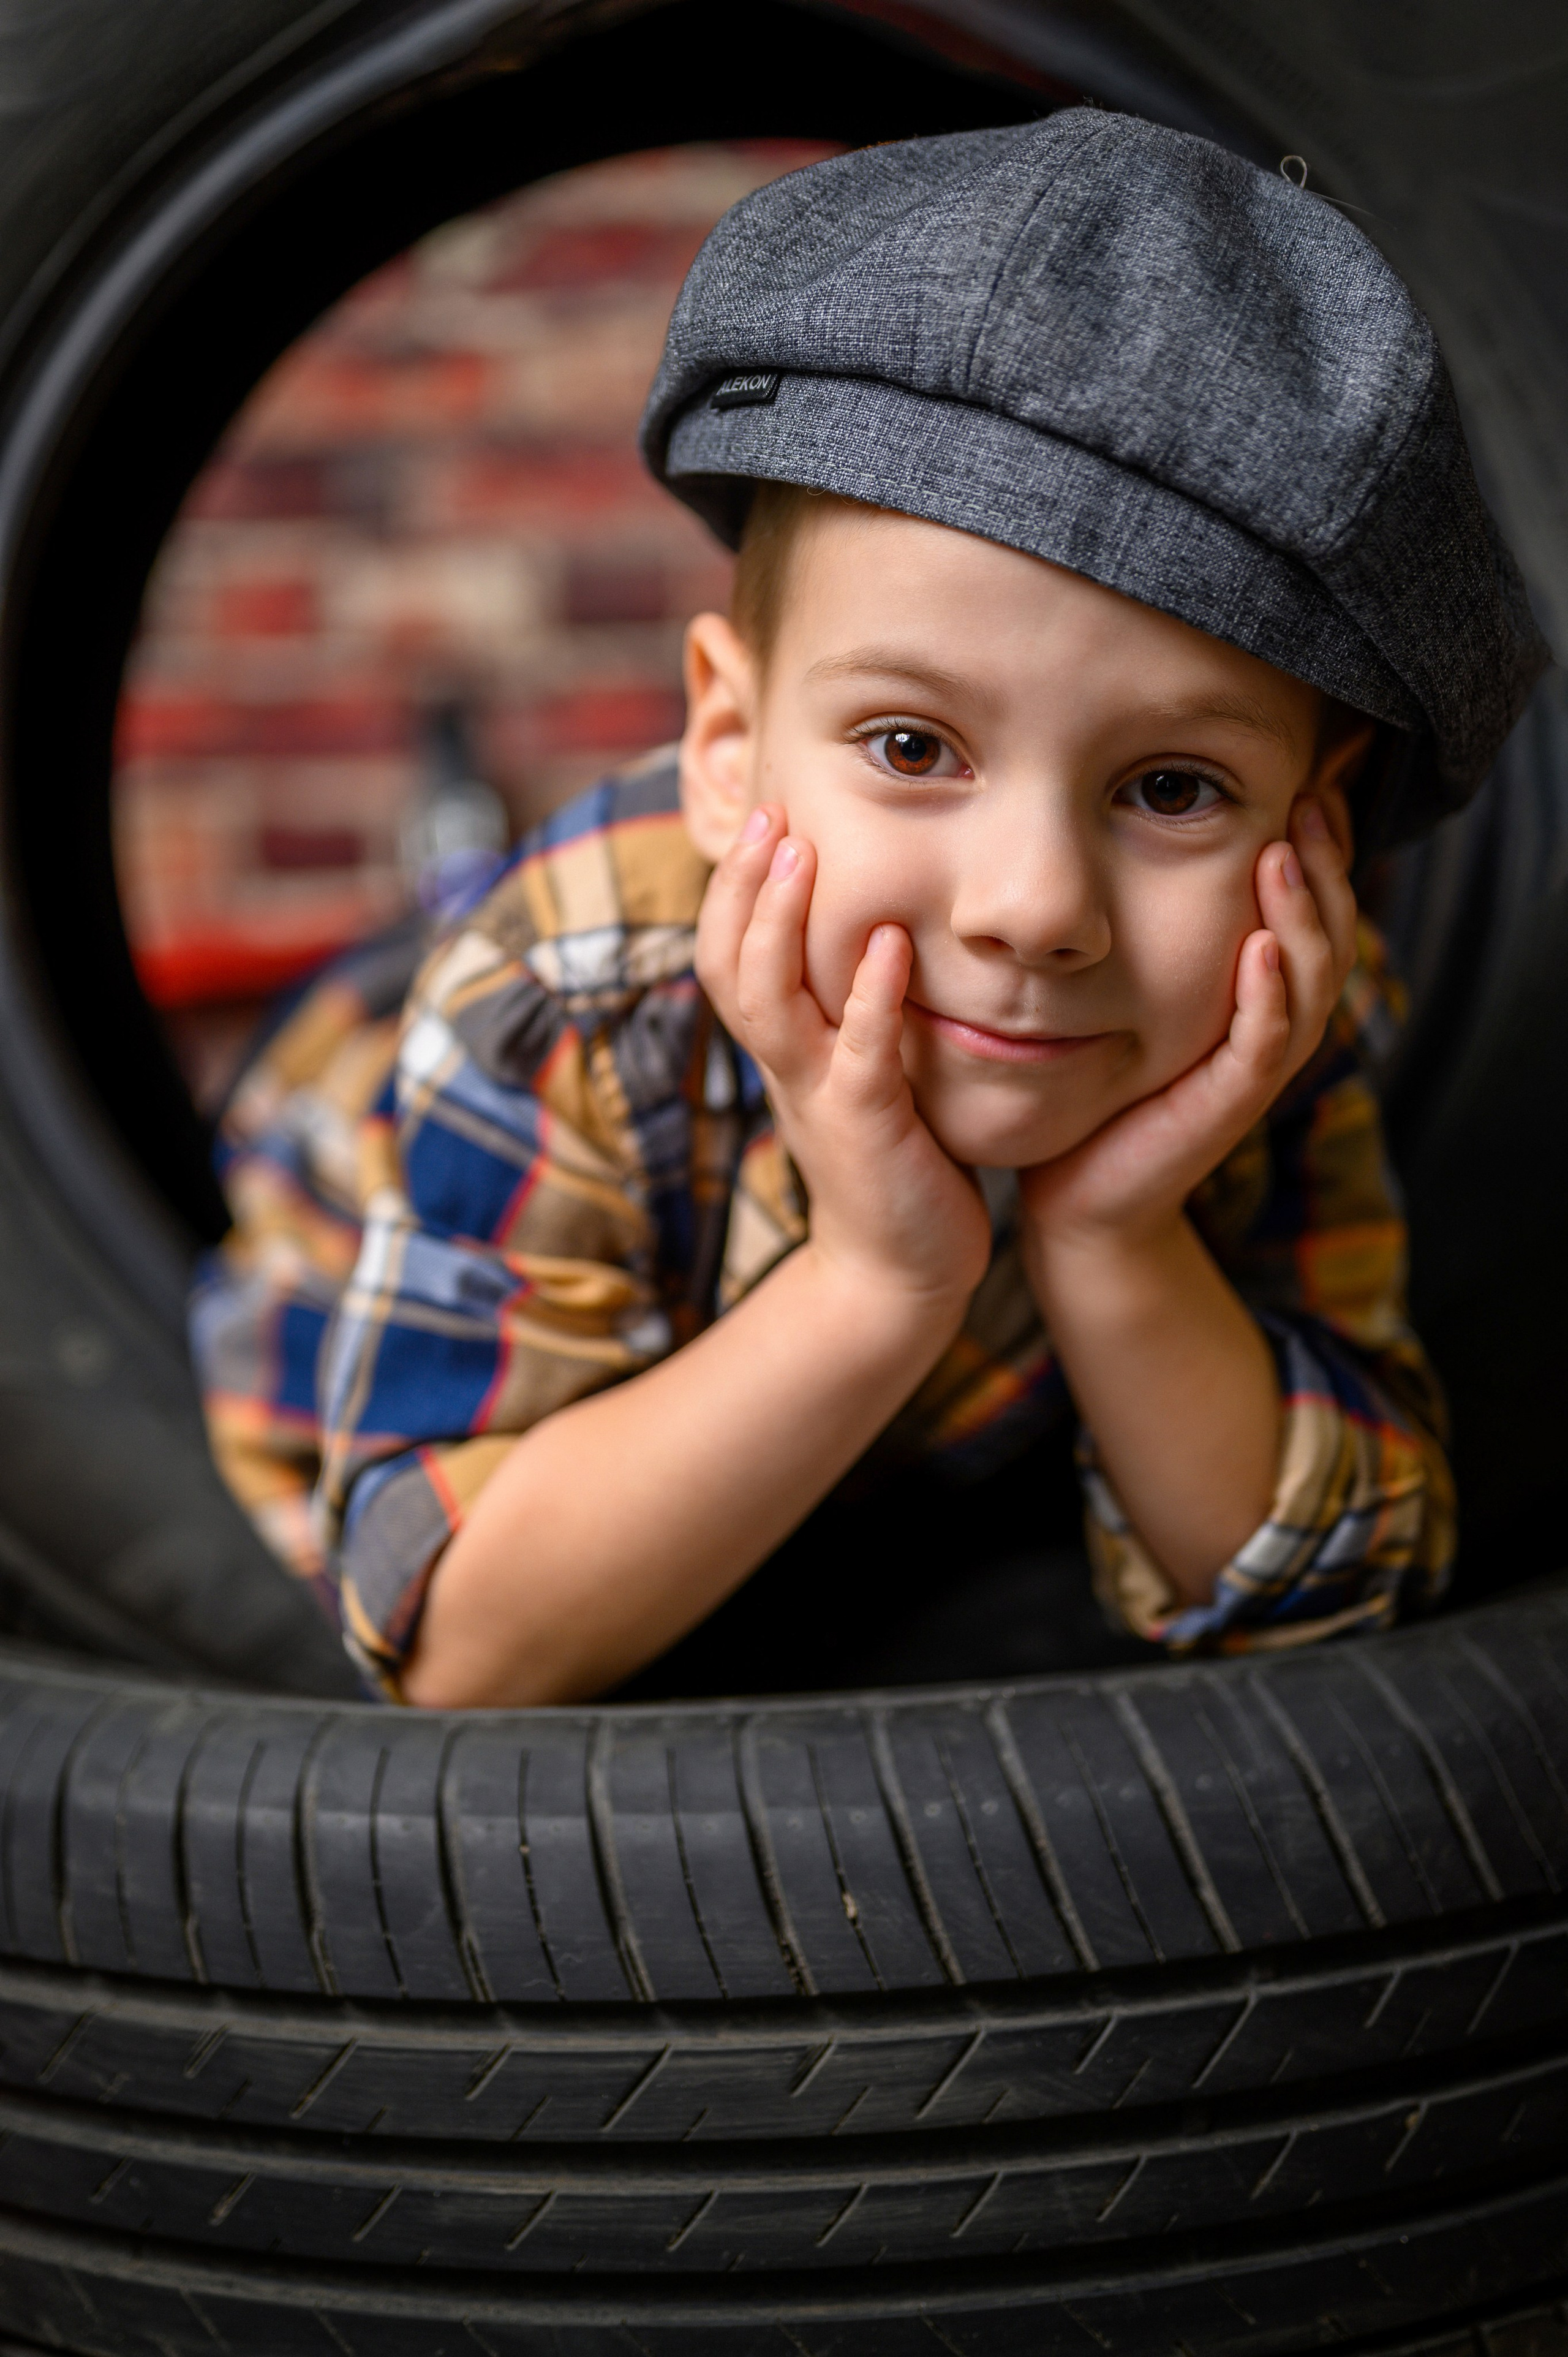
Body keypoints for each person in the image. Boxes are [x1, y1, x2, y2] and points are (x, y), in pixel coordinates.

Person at [192, 112, 1546, 1708]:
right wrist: (874, 1280)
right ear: (723, 746)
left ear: (1310, 836)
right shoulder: (565, 994)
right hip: (372, 1151)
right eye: (913, 748)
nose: (1037, 908)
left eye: (1172, 788)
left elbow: (1335, 1595)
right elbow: (455, 1648)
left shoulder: (1272, 1000)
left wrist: (1118, 1237)